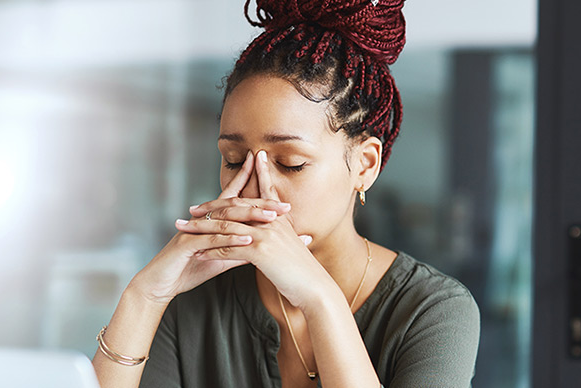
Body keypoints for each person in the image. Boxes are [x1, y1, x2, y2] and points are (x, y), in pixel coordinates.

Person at [91, 0, 480, 387]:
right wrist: (144, 297)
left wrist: (320, 300)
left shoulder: (433, 310)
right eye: (233, 158)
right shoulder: (193, 300)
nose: (259, 186)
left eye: (291, 162)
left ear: (365, 165)